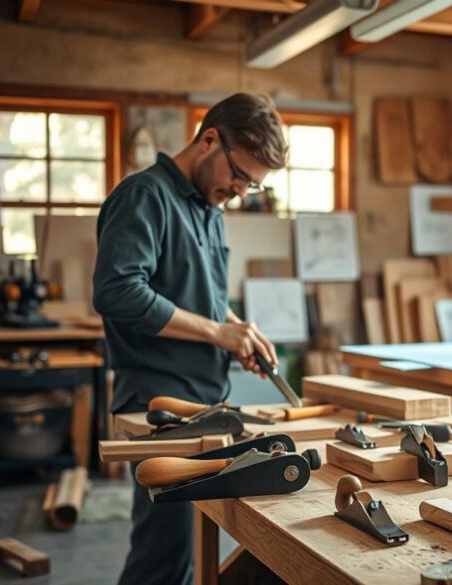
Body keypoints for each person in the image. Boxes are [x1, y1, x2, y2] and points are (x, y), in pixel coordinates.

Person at [93, 93, 289, 585]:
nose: (241, 190)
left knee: (193, 552)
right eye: (240, 175)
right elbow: (118, 291)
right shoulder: (145, 196)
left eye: (253, 183)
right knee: (164, 556)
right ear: (208, 141)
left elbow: (200, 295)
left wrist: (237, 330)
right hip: (158, 402)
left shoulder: (209, 206)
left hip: (204, 400)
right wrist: (217, 332)